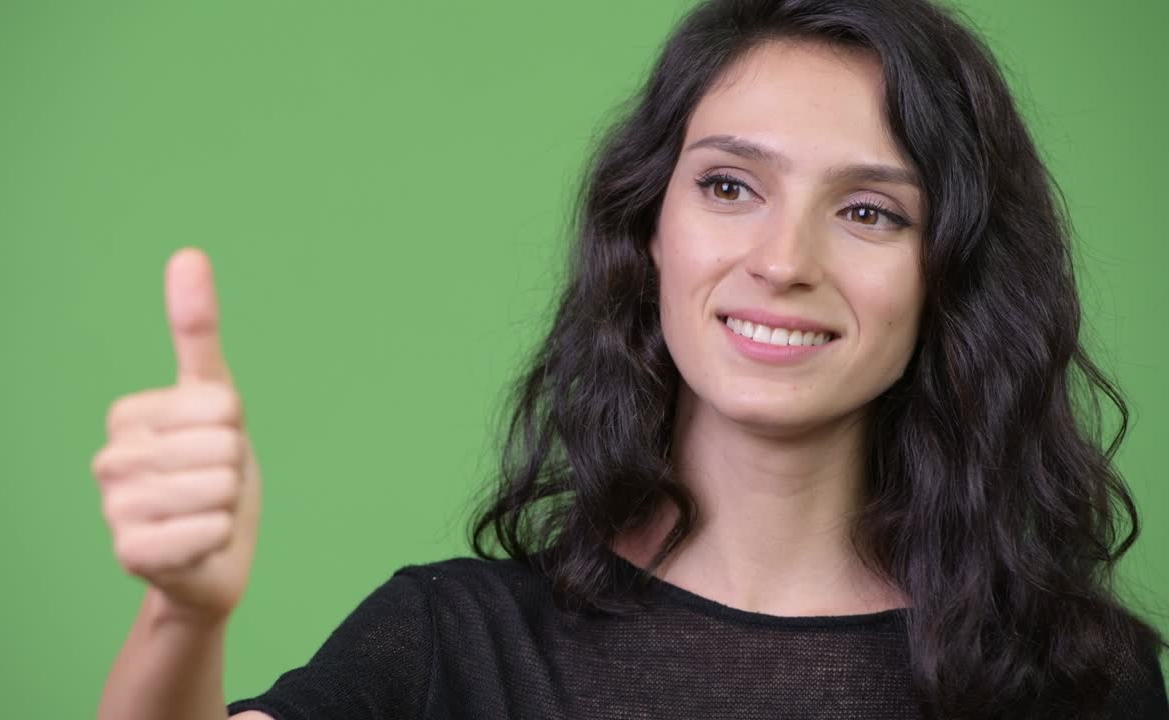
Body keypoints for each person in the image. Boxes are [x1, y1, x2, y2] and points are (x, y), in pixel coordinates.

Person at [94, 0, 1169, 718]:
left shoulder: (1081, 679)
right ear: (646, 227)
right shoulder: (453, 647)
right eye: (728, 186)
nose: (780, 261)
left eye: (867, 210)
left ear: (948, 273)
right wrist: (182, 618)